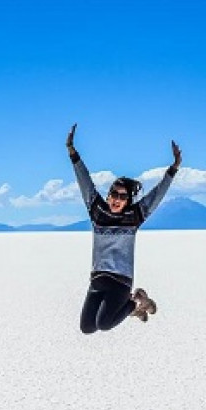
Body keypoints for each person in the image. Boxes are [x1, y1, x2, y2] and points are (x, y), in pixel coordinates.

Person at [67, 124, 181, 334]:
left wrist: (172, 170)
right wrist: (73, 154)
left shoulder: (133, 217)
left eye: (122, 197)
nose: (117, 200)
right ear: (108, 195)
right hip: (98, 278)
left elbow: (156, 196)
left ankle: (136, 302)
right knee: (87, 328)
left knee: (105, 324)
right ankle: (135, 308)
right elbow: (85, 183)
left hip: (120, 281)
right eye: (114, 194)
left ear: (128, 201)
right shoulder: (97, 211)